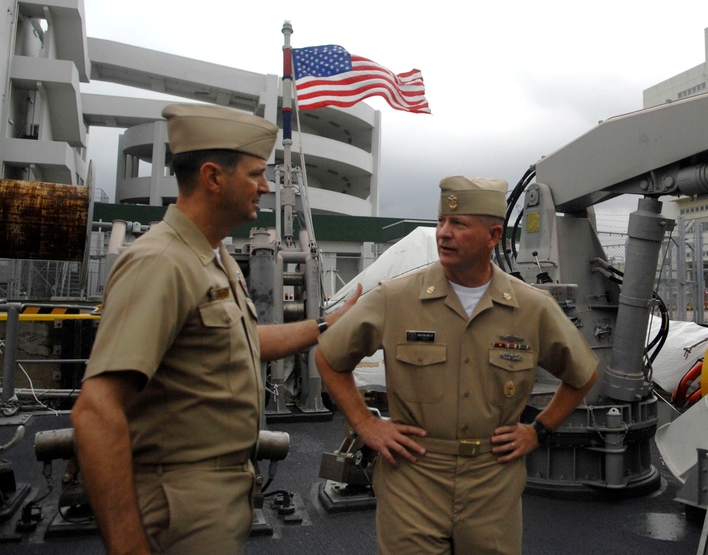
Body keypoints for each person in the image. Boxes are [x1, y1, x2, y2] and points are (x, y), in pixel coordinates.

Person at [70, 104, 360, 555]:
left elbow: (243, 343)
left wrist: (327, 324)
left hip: (217, 495)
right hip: (179, 502)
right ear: (212, 177)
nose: (266, 187)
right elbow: (96, 410)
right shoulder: (160, 262)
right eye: (256, 174)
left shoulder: (212, 255)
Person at [315, 175, 599, 555]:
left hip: (492, 482)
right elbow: (329, 357)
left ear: (493, 236)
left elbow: (583, 374)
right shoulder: (395, 298)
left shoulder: (532, 308)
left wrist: (538, 431)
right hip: (413, 476)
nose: (444, 233)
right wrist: (365, 424)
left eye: (459, 224)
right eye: (441, 222)